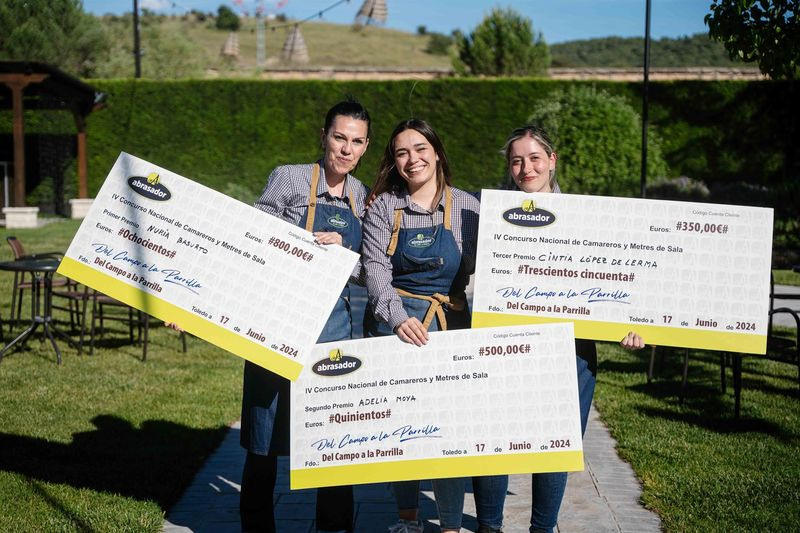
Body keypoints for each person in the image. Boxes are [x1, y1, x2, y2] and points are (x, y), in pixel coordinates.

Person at [361, 118, 506, 533]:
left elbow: (499, 264)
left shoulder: (469, 207)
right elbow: (374, 268)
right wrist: (397, 317)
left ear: (437, 152)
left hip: (452, 328)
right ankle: (407, 520)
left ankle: (449, 526)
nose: (412, 159)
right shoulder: (384, 207)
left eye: (420, 148)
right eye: (402, 152)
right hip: (398, 330)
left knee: (450, 431)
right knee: (403, 427)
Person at [502, 124, 644, 533]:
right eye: (516, 160)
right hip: (511, 347)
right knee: (498, 440)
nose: (525, 168)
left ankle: (542, 528)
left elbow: (618, 277)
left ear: (552, 160)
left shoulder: (587, 217)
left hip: (571, 349)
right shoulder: (492, 216)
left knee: (556, 445)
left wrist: (631, 324)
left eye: (533, 158)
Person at [239, 98, 371, 533]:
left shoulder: (363, 197)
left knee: (333, 439)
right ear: (324, 137)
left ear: (365, 147)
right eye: (339, 138)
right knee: (264, 435)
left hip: (333, 328)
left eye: (356, 141)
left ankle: (334, 528)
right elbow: (254, 237)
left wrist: (342, 257)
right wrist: (302, 245)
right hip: (276, 319)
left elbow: (367, 269)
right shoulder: (290, 178)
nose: (346, 150)